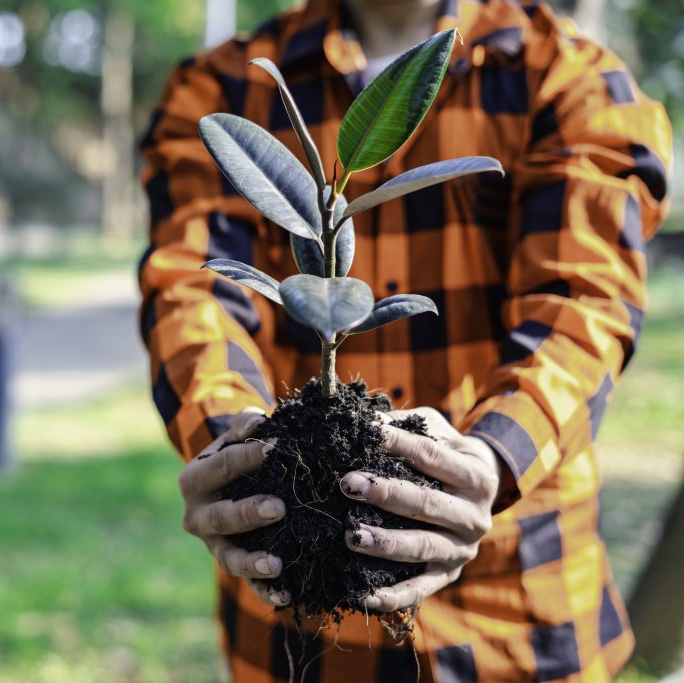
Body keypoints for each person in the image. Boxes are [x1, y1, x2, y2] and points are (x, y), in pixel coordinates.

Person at [138, 0, 672, 680]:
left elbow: (581, 302)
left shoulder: (568, 80)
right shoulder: (227, 87)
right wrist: (230, 452)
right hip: (299, 631)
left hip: (523, 617)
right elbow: (196, 293)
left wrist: (493, 455)